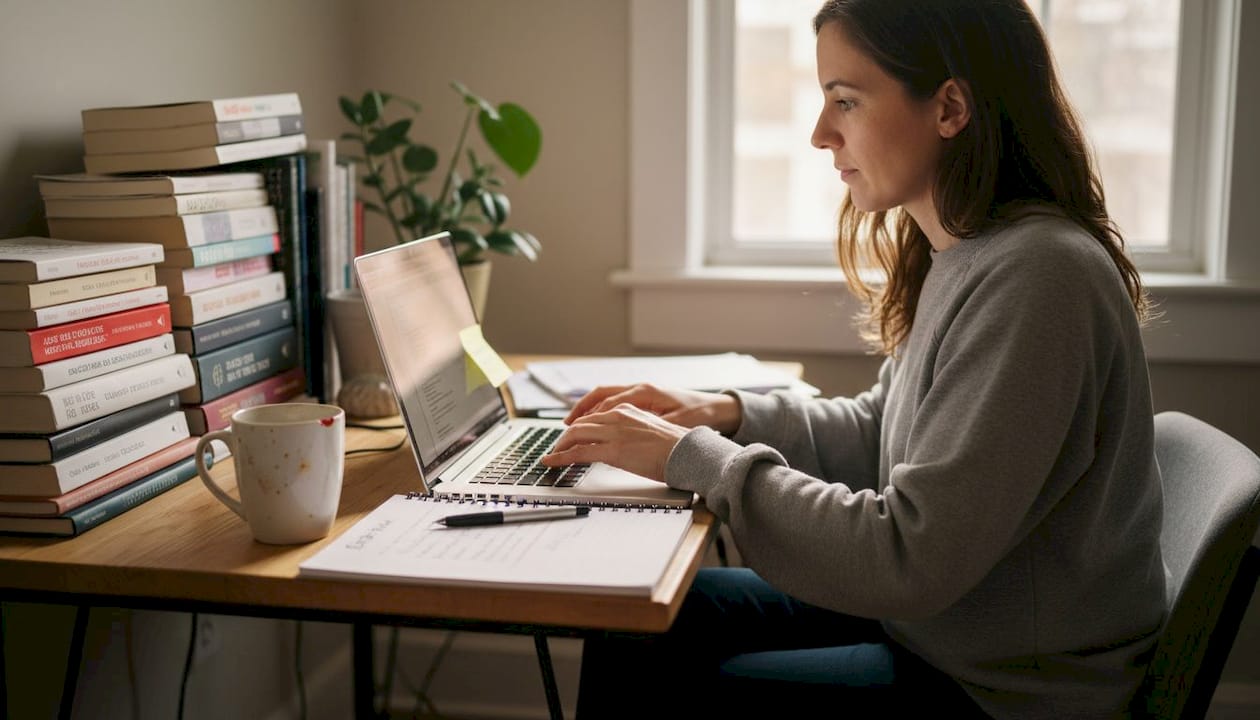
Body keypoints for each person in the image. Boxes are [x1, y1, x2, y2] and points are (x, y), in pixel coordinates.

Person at [540, 0, 1166, 718]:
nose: (819, 133)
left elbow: (907, 555)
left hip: (1001, 689)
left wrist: (695, 457)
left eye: (846, 100)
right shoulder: (968, 252)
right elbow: (882, 430)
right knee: (640, 614)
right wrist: (728, 416)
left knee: (662, 671)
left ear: (950, 107)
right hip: (948, 631)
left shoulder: (1038, 278)